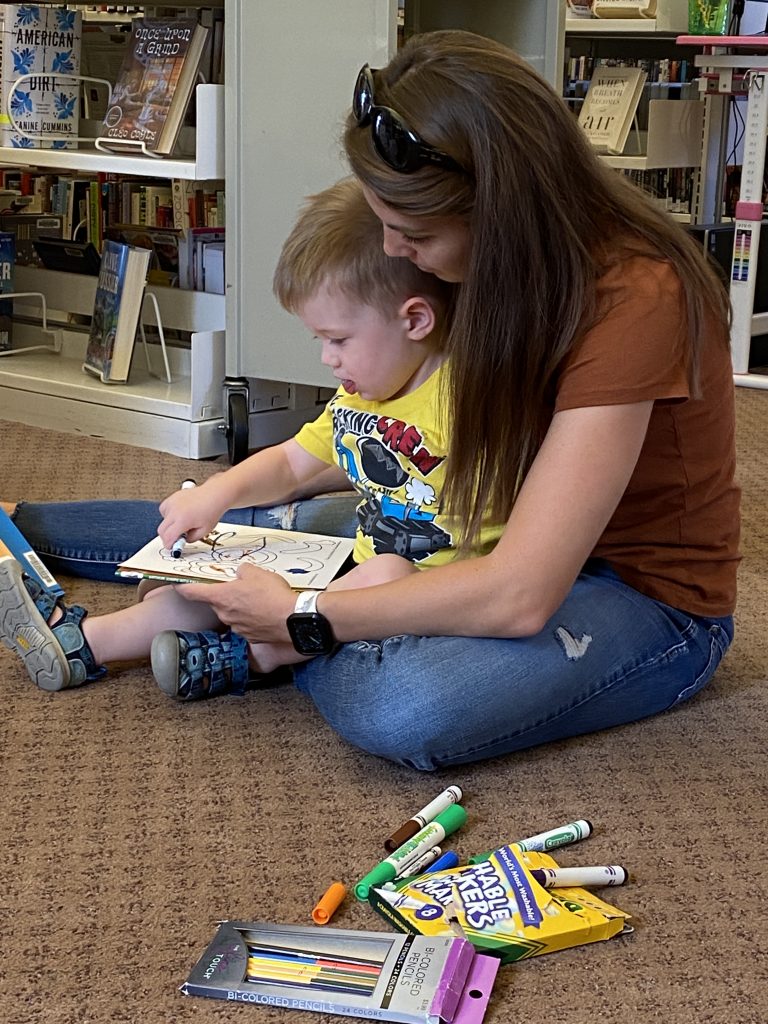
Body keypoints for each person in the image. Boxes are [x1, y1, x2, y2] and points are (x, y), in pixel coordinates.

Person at [2, 30, 739, 771]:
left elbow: (519, 591)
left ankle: (266, 647)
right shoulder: (491, 262)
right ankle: (22, 528)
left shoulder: (636, 298)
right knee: (243, 521)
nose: (392, 252)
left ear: (499, 213)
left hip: (631, 593)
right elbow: (386, 441)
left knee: (406, 704)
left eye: (411, 232)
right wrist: (252, 515)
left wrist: (307, 616)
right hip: (479, 514)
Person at [1, 177, 505, 700]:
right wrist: (216, 494)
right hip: (345, 572)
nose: (326, 359)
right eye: (320, 340)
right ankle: (83, 644)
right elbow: (292, 465)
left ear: (416, 320)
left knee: (387, 571)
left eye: (339, 340)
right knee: (221, 583)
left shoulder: (471, 394)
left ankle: (257, 655)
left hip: (422, 597)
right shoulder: (361, 397)